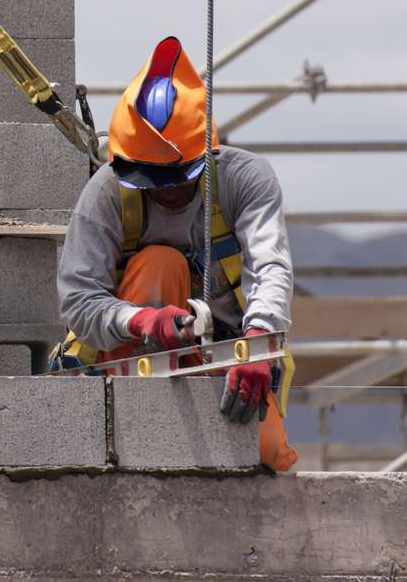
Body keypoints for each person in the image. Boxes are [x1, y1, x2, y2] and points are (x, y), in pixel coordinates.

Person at [50, 36, 297, 472]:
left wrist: (258, 342)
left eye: (176, 178)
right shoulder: (107, 192)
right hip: (128, 357)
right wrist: (143, 319)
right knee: (159, 262)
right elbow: (78, 301)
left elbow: (270, 266)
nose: (164, 190)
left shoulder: (244, 180)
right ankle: (138, 428)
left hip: (224, 352)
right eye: (149, 179)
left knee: (266, 455)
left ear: (206, 155)